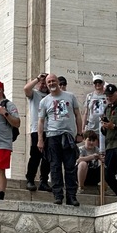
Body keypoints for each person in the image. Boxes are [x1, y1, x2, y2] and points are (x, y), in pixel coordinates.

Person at [37, 73, 83, 206]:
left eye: (53, 81)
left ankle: (71, 196)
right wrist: (40, 139)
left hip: (68, 136)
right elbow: (40, 122)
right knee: (55, 167)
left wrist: (79, 133)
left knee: (70, 167)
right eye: (48, 82)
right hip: (52, 137)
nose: (51, 84)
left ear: (58, 82)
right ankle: (58, 195)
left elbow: (78, 115)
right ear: (46, 84)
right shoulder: (44, 101)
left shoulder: (70, 96)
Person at [22, 72, 51, 192]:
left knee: (48, 158)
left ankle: (44, 181)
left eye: (46, 83)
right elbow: (26, 88)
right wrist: (38, 78)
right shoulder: (34, 94)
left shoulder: (51, 96)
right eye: (42, 83)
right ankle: (30, 179)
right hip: (36, 130)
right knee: (35, 156)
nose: (43, 85)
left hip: (51, 130)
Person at [83, 75, 108, 151]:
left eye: (99, 82)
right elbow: (86, 113)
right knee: (91, 149)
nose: (97, 84)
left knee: (103, 149)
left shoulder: (107, 96)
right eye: (95, 82)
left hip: (103, 127)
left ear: (103, 83)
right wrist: (83, 127)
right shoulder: (89, 96)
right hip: (91, 126)